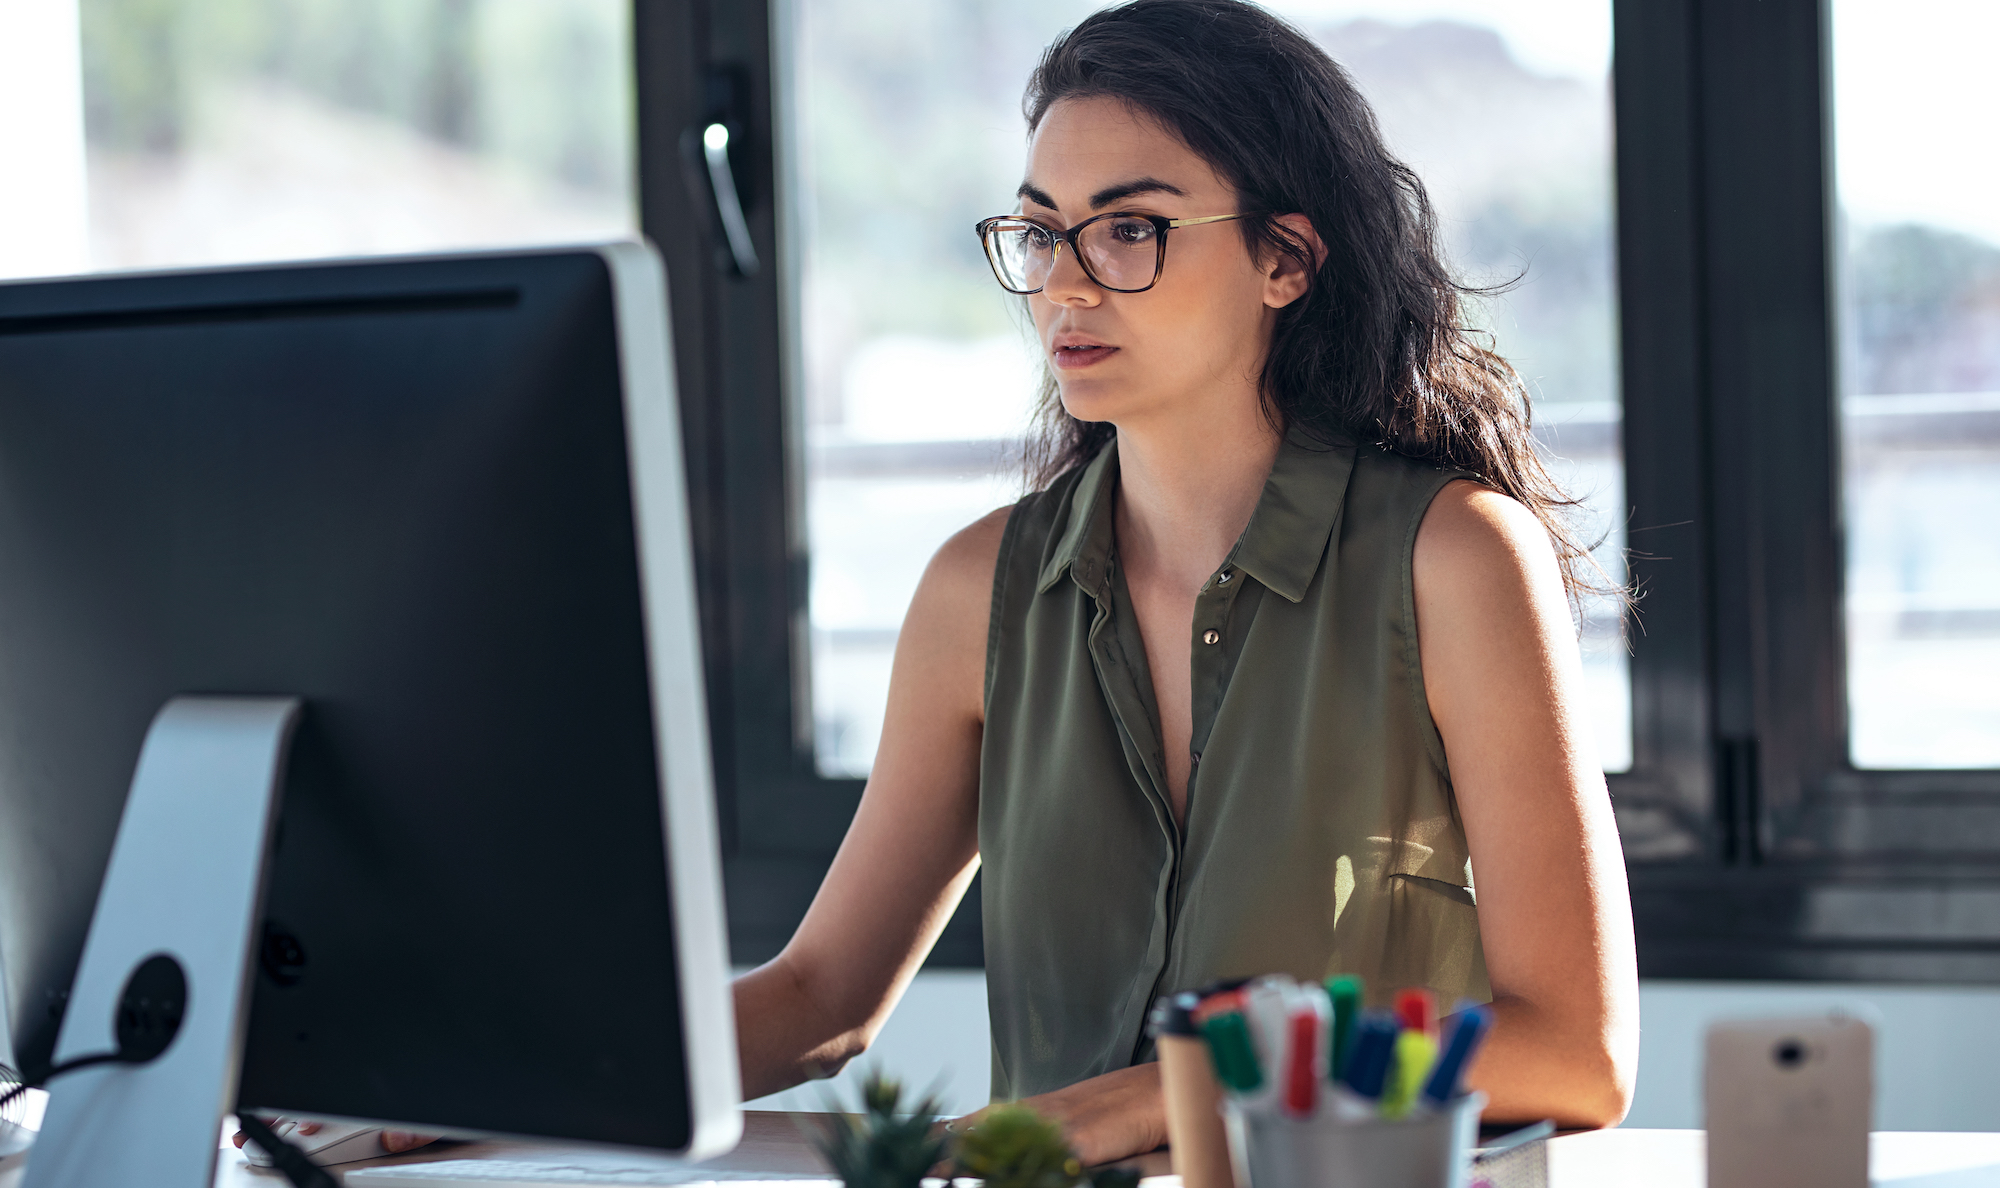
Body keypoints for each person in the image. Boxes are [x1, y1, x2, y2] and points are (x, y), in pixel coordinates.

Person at [734, 0, 1638, 1163]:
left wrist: (1153, 1097)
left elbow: (1573, 1050)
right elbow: (816, 996)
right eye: (1039, 231)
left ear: (1284, 259)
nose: (1064, 284)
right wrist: (489, 1089)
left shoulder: (1454, 559)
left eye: (1129, 230)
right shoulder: (978, 589)